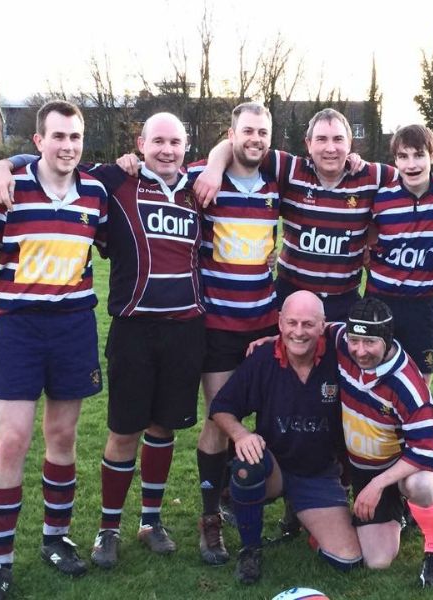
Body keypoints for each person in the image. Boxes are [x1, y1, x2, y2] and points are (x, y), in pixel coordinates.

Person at [0, 112, 208, 569]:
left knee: (164, 427)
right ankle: (108, 527)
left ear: (187, 146)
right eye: (158, 141)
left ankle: (151, 520)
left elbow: (239, 155)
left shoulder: (200, 184)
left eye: (176, 142)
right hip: (131, 326)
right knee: (123, 429)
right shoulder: (114, 181)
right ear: (141, 143)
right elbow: (55, 160)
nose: (167, 150)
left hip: (185, 328)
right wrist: (2, 164)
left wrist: (221, 160)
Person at [0, 100, 109, 600]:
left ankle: (55, 538)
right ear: (39, 142)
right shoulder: (9, 188)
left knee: (63, 437)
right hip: (20, 329)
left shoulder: (95, 192)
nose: (67, 146)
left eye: (75, 137)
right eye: (58, 137)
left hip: (74, 327)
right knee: (12, 441)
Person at [209, 290, 362, 584]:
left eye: (308, 324)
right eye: (291, 323)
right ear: (279, 323)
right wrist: (241, 434)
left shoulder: (340, 356)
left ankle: (302, 513)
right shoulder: (263, 357)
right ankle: (250, 548)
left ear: (323, 326)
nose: (298, 332)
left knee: (348, 559)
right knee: (246, 463)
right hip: (274, 469)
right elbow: (221, 408)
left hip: (318, 473)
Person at [196, 108, 397, 321]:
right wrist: (214, 168)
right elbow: (237, 145)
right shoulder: (290, 169)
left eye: (338, 139)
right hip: (291, 297)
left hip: (343, 302)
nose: (330, 148)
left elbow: (412, 177)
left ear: (349, 144)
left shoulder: (372, 176)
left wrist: (375, 235)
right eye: (321, 139)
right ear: (308, 144)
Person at [191, 102, 281, 565]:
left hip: (265, 323)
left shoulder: (276, 184)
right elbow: (146, 167)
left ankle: (242, 496)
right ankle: (210, 519)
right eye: (247, 131)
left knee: (264, 420)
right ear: (231, 134)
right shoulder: (205, 179)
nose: (256, 139)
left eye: (263, 132)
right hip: (218, 325)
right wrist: (212, 161)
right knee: (219, 419)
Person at [331, 297, 433, 588]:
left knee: (419, 486)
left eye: (369, 342)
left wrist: (377, 485)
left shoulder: (408, 384)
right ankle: (401, 511)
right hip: (363, 466)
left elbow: (423, 450)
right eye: (354, 340)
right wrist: (269, 341)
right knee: (378, 560)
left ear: (386, 339)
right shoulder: (340, 341)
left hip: (403, 463)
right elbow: (312, 330)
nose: (359, 350)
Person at [364, 124, 433, 385]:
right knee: (374, 379)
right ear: (395, 161)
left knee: (420, 383)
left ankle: (418, 427)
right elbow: (360, 232)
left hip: (422, 305)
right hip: (379, 302)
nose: (411, 164)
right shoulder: (380, 198)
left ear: (432, 156)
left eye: (419, 155)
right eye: (403, 156)